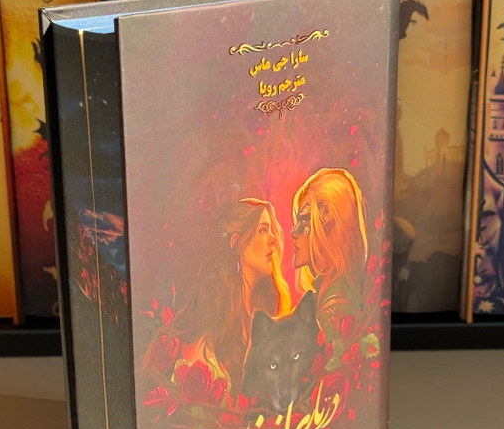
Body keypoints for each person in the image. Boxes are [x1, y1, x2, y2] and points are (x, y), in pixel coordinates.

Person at [154, 198, 292, 389]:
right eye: (262, 230)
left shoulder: (262, 314)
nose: (273, 238)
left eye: (270, 230)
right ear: (236, 242)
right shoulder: (213, 329)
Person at [290, 167, 368, 336]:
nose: (294, 233)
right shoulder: (329, 297)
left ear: (329, 227)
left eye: (305, 220)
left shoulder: (333, 310)